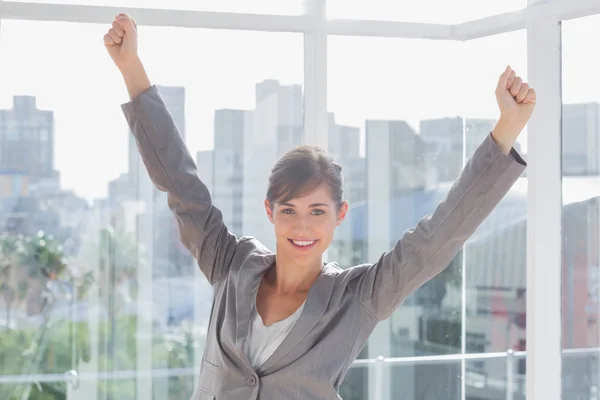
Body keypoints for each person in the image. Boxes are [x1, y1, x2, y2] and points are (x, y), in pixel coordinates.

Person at [104, 13, 535, 400]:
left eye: (317, 211)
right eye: (289, 209)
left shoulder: (358, 297)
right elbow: (181, 185)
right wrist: (131, 68)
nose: (302, 226)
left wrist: (505, 131)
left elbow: (435, 239)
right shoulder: (230, 263)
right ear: (270, 211)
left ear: (339, 215)